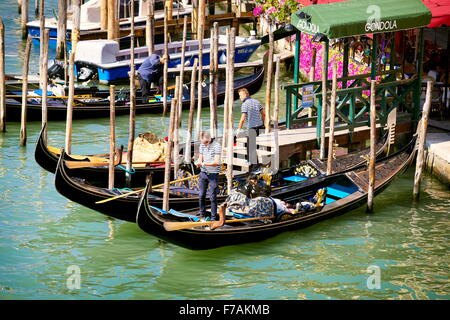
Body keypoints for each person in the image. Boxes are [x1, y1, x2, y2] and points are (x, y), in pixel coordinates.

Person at [236, 88, 266, 169]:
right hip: (259, 126)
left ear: (245, 94)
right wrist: (263, 124)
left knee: (251, 147)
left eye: (240, 95)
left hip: (252, 127)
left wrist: (238, 129)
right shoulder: (257, 101)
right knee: (251, 145)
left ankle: (256, 166)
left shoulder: (244, 104)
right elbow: (264, 114)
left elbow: (242, 118)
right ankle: (250, 160)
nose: (240, 97)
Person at [196, 131, 221, 222]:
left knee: (213, 196)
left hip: (213, 174)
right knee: (201, 195)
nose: (204, 144)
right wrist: (198, 162)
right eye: (203, 142)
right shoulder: (202, 145)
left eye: (206, 142)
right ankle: (202, 215)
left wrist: (204, 164)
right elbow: (200, 157)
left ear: (210, 139)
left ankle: (213, 218)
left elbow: (216, 162)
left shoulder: (217, 146)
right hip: (203, 173)